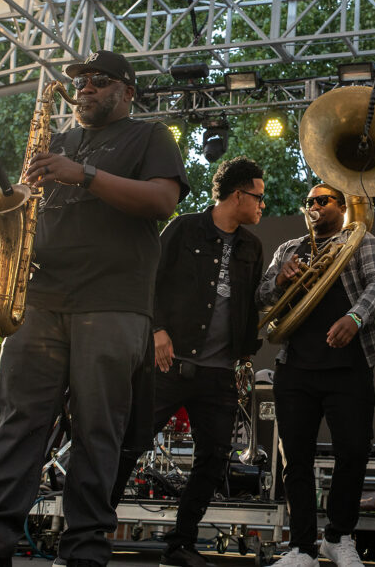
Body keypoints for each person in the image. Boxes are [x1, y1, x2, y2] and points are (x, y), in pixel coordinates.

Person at [0, 50, 189, 567]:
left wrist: (82, 173)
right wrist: (7, 250)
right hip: (38, 299)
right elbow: (29, 206)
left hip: (111, 304)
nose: (84, 86)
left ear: (127, 91)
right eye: (79, 79)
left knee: (96, 431)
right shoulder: (56, 142)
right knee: (18, 427)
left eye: (98, 80)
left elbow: (161, 202)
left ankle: (85, 550)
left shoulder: (148, 137)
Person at [111, 156, 266, 567]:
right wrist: (157, 330)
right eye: (259, 197)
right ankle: (92, 530)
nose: (262, 206)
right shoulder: (183, 228)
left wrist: (245, 357)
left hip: (220, 373)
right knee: (130, 445)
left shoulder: (253, 246)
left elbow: (250, 307)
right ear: (238, 195)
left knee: (214, 459)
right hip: (170, 364)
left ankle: (180, 545)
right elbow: (147, 279)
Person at [257, 184, 375, 567]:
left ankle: (338, 536)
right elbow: (262, 296)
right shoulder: (288, 248)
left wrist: (355, 317)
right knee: (294, 459)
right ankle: (301, 547)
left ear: (342, 204)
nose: (314, 206)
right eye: (310, 202)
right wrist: (279, 280)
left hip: (348, 368)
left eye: (323, 200)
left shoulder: (362, 240)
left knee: (352, 452)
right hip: (296, 368)